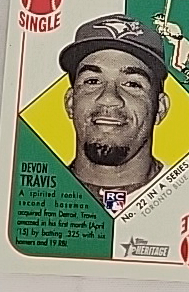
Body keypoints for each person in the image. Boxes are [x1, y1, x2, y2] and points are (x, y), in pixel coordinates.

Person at [59, 15, 173, 212]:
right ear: (70, 102)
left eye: (132, 84)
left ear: (160, 108)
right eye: (92, 81)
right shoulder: (38, 197)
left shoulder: (188, 195)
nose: (109, 98)